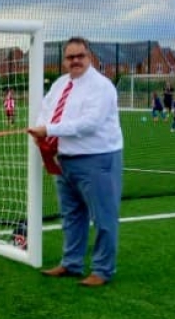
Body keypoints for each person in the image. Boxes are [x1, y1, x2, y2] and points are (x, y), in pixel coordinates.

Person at [27, 36, 123, 287]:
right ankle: (71, 263)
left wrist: (48, 129)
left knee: (103, 217)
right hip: (65, 160)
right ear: (64, 60)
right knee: (71, 216)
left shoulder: (101, 86)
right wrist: (43, 128)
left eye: (80, 56)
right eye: (70, 57)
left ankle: (102, 270)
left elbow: (89, 123)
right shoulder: (60, 84)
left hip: (97, 159)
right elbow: (46, 110)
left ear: (89, 57)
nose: (75, 61)